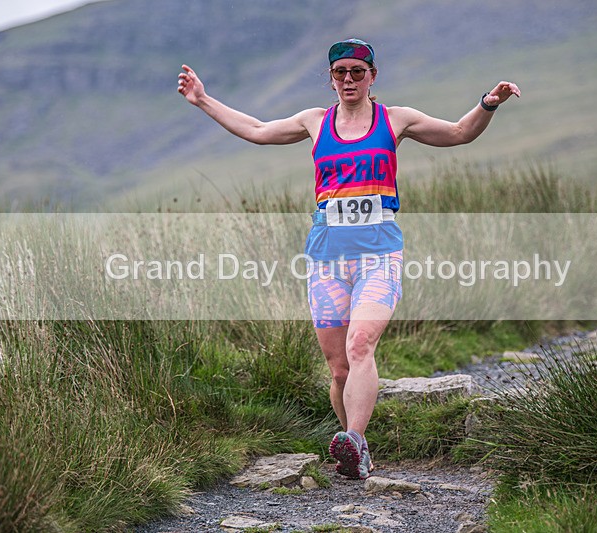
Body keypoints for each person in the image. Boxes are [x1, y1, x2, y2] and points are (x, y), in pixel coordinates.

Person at [178, 38, 520, 480]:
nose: (348, 79)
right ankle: (355, 452)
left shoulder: (395, 119)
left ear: (372, 76)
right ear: (332, 77)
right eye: (340, 72)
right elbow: (258, 130)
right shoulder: (314, 121)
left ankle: (355, 437)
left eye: (358, 71)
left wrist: (489, 103)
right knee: (339, 368)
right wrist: (202, 100)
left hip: (379, 252)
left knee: (361, 344)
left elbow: (458, 133)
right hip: (326, 256)